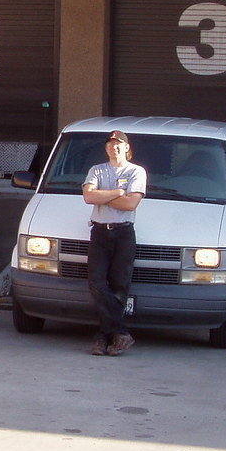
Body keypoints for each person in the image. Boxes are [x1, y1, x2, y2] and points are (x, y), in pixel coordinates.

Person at [82, 130, 147, 356]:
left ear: (127, 148)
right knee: (96, 283)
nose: (114, 148)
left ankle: (102, 338)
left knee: (119, 286)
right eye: (110, 144)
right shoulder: (96, 170)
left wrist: (105, 195)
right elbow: (89, 197)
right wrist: (118, 192)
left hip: (123, 234)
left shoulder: (136, 172)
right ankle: (120, 333)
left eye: (118, 144)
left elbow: (131, 204)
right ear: (106, 148)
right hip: (99, 233)